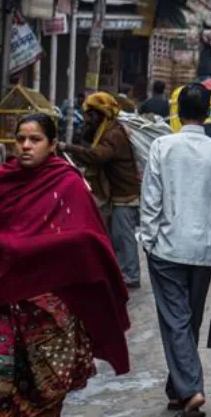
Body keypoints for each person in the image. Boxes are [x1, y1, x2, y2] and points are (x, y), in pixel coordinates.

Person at [0, 113, 130, 416]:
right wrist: (10, 244)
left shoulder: (69, 184)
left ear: (52, 145)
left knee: (46, 390)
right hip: (3, 303)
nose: (25, 145)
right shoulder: (0, 181)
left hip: (50, 308)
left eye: (35, 139)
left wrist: (30, 246)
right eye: (20, 139)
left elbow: (88, 238)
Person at [139, 84, 211, 416]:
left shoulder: (162, 147)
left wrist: (148, 240)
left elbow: (151, 199)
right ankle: (178, 389)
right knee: (187, 320)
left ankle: (191, 388)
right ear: (207, 113)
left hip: (166, 248)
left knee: (176, 321)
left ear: (178, 113)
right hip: (204, 250)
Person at [61, 93, 142, 288]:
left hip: (125, 195)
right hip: (116, 194)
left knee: (123, 237)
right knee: (115, 236)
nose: (88, 119)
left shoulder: (114, 135)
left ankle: (131, 275)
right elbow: (89, 141)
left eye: (91, 115)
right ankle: (120, 271)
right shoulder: (107, 130)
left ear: (101, 114)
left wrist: (67, 147)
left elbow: (97, 156)